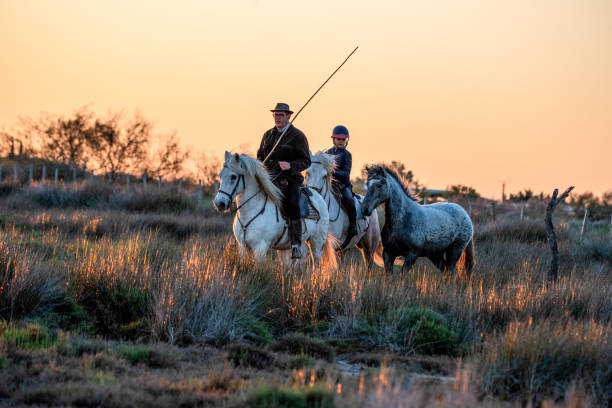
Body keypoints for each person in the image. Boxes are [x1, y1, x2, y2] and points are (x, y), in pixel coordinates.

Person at [257, 102, 311, 259]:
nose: (277, 118)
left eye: (281, 115)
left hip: (289, 179)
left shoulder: (298, 136)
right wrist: (259, 165)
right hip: (268, 177)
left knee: (293, 203)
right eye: (275, 114)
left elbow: (306, 161)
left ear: (288, 116)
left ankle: (295, 244)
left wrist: (290, 165)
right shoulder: (267, 135)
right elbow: (260, 155)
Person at [326, 125, 358, 241]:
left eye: (343, 139)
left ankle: (353, 225)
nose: (340, 141)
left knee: (349, 199)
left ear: (346, 140)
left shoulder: (347, 155)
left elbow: (346, 173)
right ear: (333, 139)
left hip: (343, 185)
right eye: (338, 139)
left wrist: (332, 171)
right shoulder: (327, 153)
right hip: (329, 185)